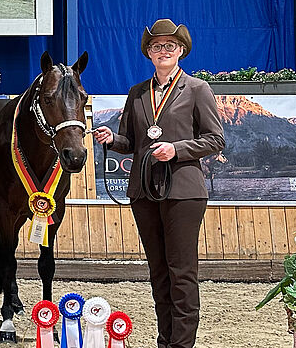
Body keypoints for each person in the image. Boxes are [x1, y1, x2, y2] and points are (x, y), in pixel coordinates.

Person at [93, 18, 225, 348]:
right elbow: (131, 140)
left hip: (183, 190)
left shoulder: (197, 89)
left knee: (181, 270)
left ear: (181, 50)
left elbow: (215, 139)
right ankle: (164, 340)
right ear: (148, 53)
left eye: (169, 46)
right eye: (156, 47)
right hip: (143, 190)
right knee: (158, 271)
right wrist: (113, 138)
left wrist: (177, 149)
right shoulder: (138, 92)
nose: (162, 51)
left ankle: (181, 344)